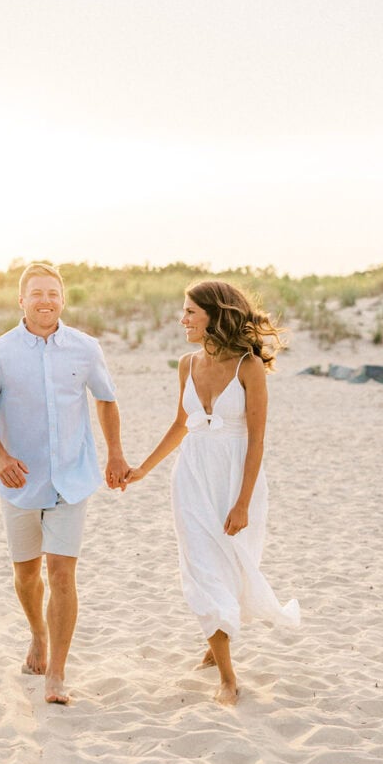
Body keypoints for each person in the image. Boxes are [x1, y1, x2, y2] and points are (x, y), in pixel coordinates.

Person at [125, 280, 300, 706]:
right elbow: (181, 424)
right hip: (191, 478)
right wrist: (142, 469)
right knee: (201, 566)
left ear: (214, 316)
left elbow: (256, 440)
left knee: (236, 565)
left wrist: (242, 502)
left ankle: (215, 640)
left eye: (190, 313)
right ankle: (227, 677)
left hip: (237, 479)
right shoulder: (186, 364)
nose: (181, 320)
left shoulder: (248, 367)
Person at [0, 262, 129, 705]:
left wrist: (114, 453)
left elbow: (107, 401)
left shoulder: (85, 348)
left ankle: (56, 673)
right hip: (21, 481)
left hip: (73, 479)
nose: (45, 301)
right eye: (36, 293)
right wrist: (0, 459)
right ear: (22, 300)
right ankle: (37, 632)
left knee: (61, 573)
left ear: (63, 299)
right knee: (25, 576)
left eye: (52, 294)